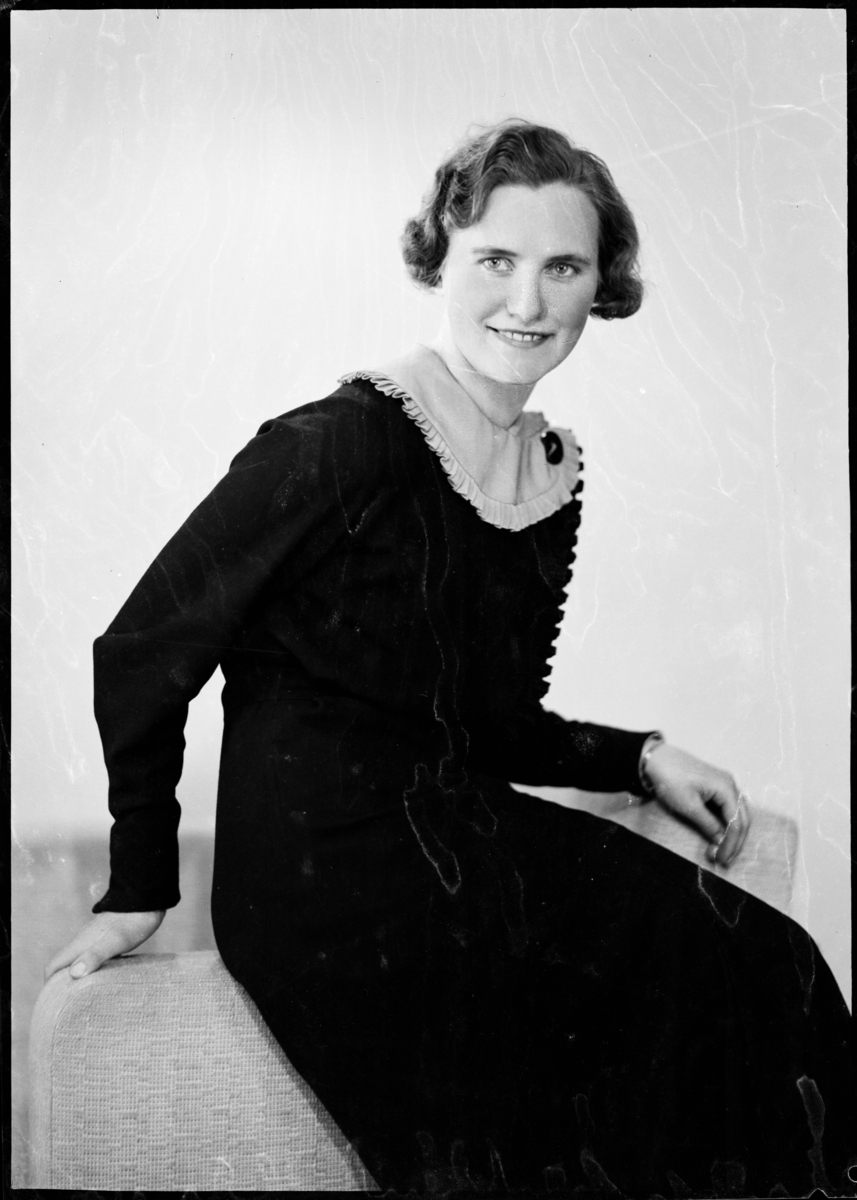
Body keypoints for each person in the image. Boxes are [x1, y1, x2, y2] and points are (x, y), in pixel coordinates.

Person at [46, 119, 853, 1197]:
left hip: (458, 833)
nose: (526, 301)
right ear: (441, 260)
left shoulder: (539, 468)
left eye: (562, 267)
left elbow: (487, 724)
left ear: (600, 286)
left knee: (772, 967)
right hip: (324, 878)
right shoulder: (339, 439)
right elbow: (144, 647)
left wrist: (639, 756)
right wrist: (139, 884)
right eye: (495, 260)